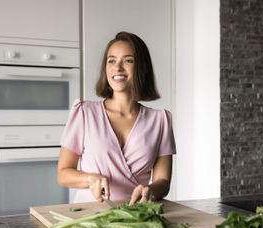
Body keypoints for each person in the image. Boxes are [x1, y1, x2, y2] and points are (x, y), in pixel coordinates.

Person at [57, 31, 176, 205]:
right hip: (88, 216)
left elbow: (163, 182)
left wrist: (150, 190)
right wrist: (90, 179)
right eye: (111, 60)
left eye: (128, 60)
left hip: (137, 217)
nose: (117, 68)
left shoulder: (161, 120)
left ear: (141, 67)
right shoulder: (84, 113)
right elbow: (63, 173)